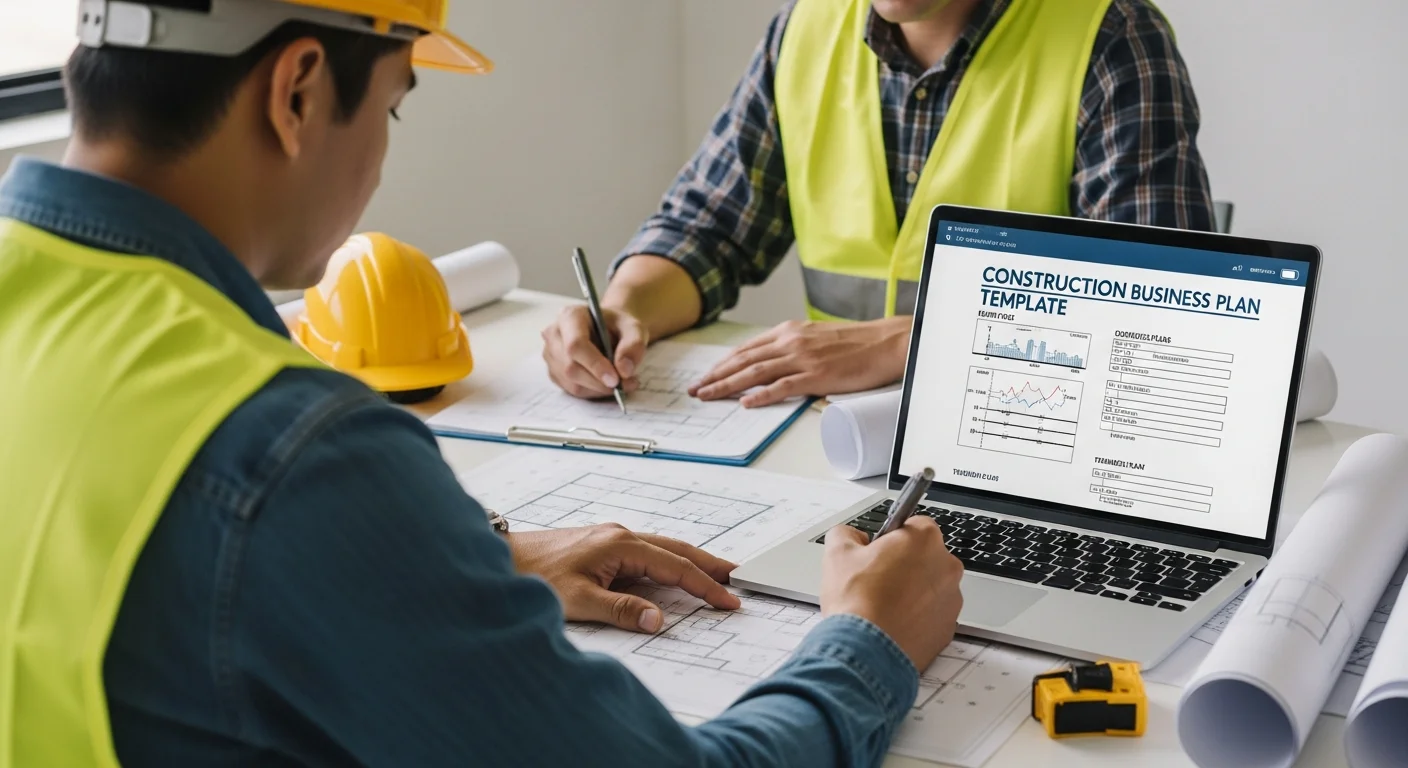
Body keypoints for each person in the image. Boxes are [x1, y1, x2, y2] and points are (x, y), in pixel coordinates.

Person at [0, 1, 964, 766]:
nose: (382, 157)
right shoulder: (295, 451)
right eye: (393, 105)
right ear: (296, 91)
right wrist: (869, 642)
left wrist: (464, 564)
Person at [542, 0, 1216, 408]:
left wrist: (910, 342)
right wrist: (624, 310)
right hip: (833, 443)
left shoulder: (1112, 35)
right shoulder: (806, 30)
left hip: (1019, 444)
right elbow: (710, 227)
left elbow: (1159, 315)